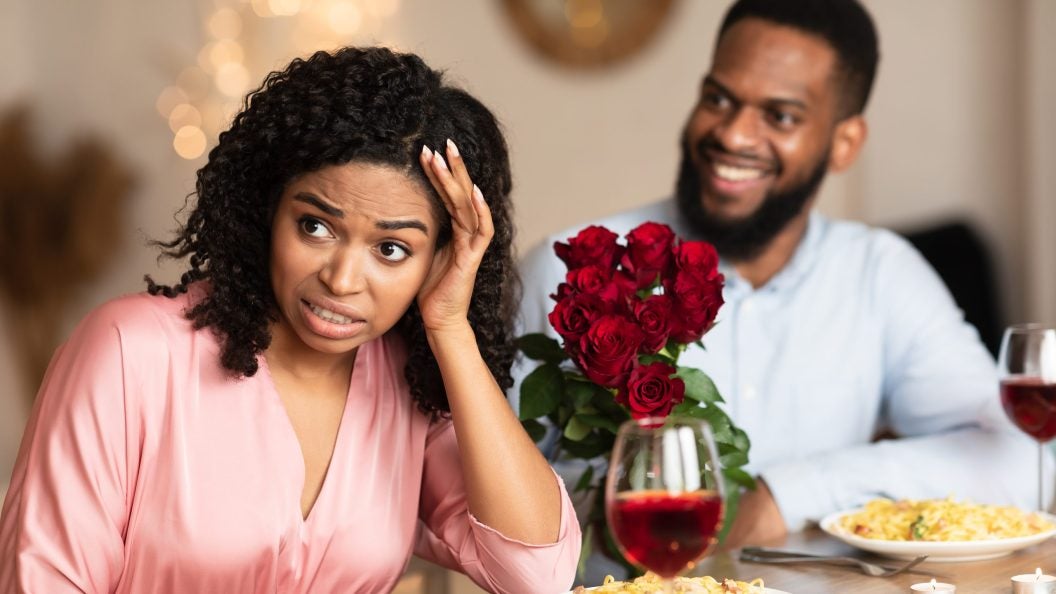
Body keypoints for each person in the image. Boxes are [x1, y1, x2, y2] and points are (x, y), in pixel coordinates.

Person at [0, 47, 580, 593]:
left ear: (440, 259)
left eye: (392, 249)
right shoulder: (131, 352)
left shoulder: (409, 390)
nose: (343, 279)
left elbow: (534, 574)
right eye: (316, 226)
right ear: (267, 207)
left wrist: (451, 329)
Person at [517, 0, 1048, 570]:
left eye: (781, 116)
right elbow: (474, 495)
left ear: (844, 143)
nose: (733, 134)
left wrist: (790, 491)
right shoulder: (569, 268)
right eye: (719, 98)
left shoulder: (881, 275)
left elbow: (1024, 459)